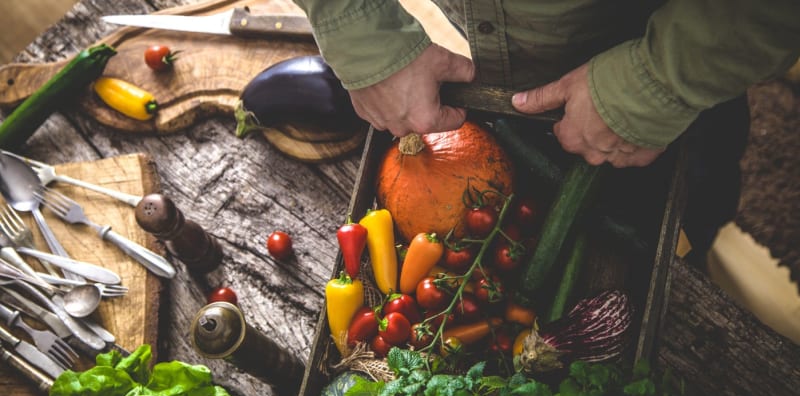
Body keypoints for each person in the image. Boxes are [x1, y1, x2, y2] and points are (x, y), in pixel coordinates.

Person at [292, 0, 799, 259]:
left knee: (697, 199)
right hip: (506, 54)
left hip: (677, 57)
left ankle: (695, 258)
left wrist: (656, 84)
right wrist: (356, 29)